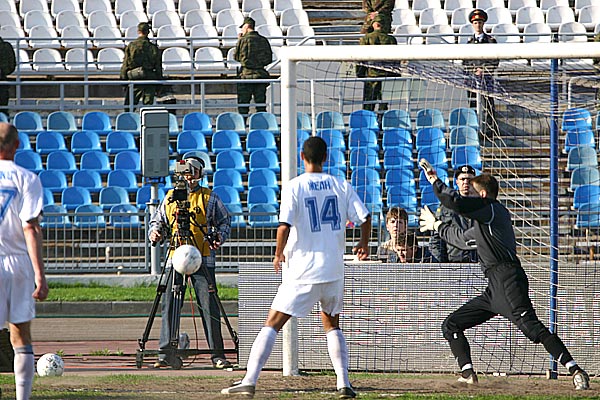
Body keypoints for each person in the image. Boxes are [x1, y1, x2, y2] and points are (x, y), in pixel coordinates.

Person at [221, 136, 372, 399]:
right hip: (333, 269)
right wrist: (363, 243)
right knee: (332, 324)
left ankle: (249, 380)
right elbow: (365, 217)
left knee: (273, 323)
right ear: (326, 157)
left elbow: (284, 226)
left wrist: (278, 253)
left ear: (302, 157)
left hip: (303, 269)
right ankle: (343, 383)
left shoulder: (295, 186)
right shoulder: (341, 185)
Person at [418, 165, 590, 390]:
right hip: (494, 287)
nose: (468, 192)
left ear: (482, 195)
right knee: (451, 324)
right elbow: (460, 239)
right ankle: (468, 374)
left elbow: (456, 203)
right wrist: (437, 225)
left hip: (508, 281)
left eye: (473, 190)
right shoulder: (483, 222)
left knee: (533, 329)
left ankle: (576, 370)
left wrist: (435, 181)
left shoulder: (492, 210)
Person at [149, 154, 233, 370]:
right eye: (184, 171)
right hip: (175, 257)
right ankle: (165, 353)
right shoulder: (170, 197)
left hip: (201, 257)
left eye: (191, 171)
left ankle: (217, 354)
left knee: (209, 305)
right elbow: (158, 221)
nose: (187, 176)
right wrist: (155, 232)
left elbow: (225, 221)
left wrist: (219, 237)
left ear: (199, 173)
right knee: (169, 304)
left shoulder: (209, 197)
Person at [0, 122, 49, 400]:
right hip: (17, 262)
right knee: (20, 334)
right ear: (17, 145)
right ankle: (22, 397)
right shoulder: (27, 178)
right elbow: (30, 227)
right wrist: (40, 276)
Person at [429, 165, 478, 263]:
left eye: (469, 179)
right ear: (457, 181)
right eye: (462, 179)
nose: (466, 182)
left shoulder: (482, 205)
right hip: (454, 262)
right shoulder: (446, 206)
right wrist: (442, 264)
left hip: (479, 262)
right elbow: (436, 239)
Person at [463, 9, 499, 137]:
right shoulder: (469, 43)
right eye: (475, 23)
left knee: (488, 103)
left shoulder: (490, 41)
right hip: (472, 79)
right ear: (472, 24)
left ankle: (490, 131)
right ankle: (474, 130)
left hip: (486, 78)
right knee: (473, 103)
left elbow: (495, 60)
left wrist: (484, 69)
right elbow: (465, 61)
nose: (478, 25)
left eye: (480, 22)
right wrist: (474, 70)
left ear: (483, 24)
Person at [234, 17, 273, 118]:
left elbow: (236, 57)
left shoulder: (243, 40)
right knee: (261, 105)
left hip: (245, 76)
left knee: (243, 106)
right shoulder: (263, 40)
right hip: (260, 75)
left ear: (247, 26)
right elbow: (269, 59)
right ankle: (262, 125)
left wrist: (239, 40)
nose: (242, 30)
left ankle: (242, 125)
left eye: (243, 27)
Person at [358, 15, 397, 114]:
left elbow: (361, 58)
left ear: (374, 24)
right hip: (387, 74)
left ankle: (368, 119)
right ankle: (382, 119)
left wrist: (360, 73)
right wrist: (396, 74)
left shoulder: (366, 38)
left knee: (368, 102)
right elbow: (396, 59)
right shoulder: (391, 39)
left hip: (371, 75)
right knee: (384, 102)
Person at [120, 22, 163, 110]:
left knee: (129, 106)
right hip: (149, 78)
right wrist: (159, 83)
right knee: (148, 107)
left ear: (138, 31)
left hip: (135, 78)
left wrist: (123, 80)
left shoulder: (131, 46)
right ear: (148, 32)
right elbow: (158, 67)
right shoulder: (153, 48)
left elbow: (125, 64)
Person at [0, 36, 16, 119]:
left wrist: (2, 71)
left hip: (2, 84)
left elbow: (11, 66)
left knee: (2, 112)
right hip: (2, 84)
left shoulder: (6, 47)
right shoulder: (6, 46)